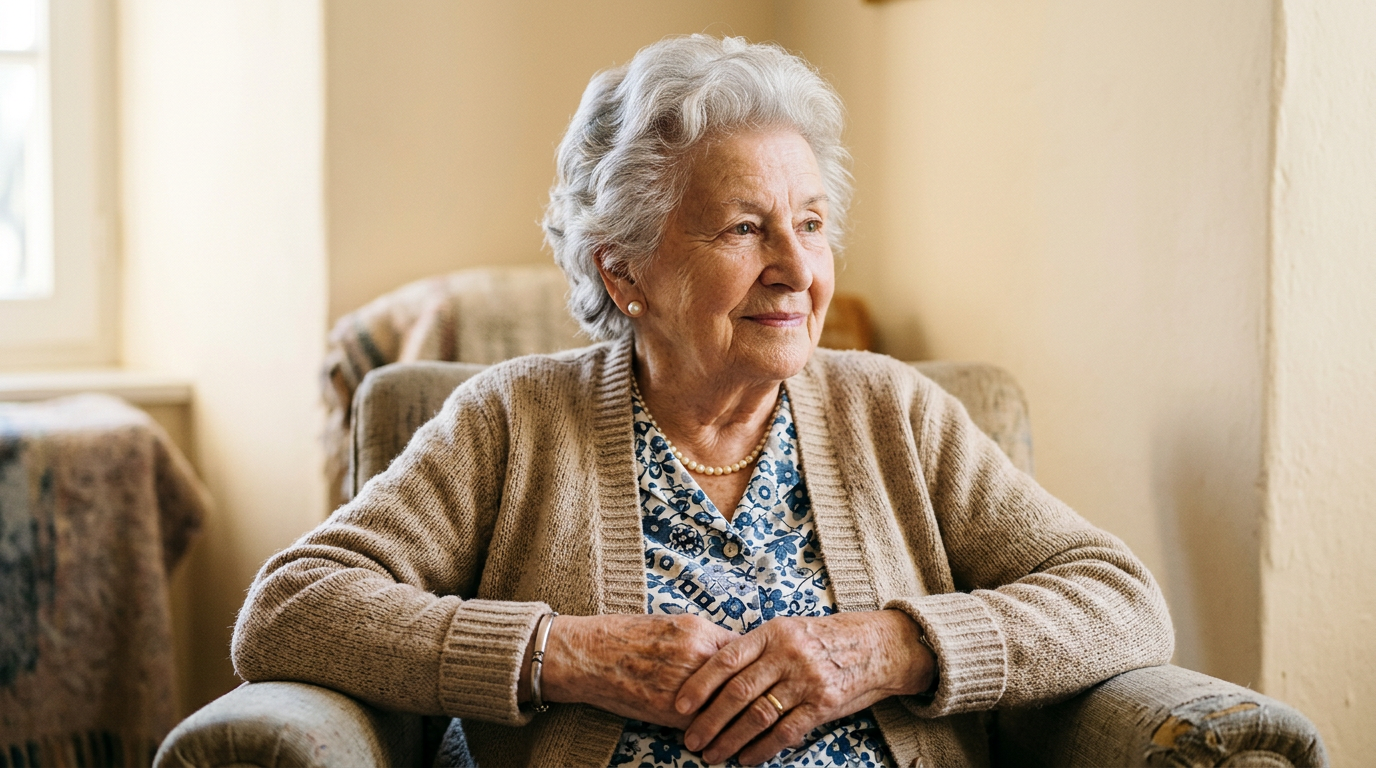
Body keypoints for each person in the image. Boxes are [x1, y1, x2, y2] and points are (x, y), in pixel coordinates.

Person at [232, 35, 1172, 767]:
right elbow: (290, 609)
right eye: (743, 228)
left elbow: (1121, 601)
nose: (800, 272)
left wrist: (895, 646)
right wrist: (567, 653)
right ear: (626, 270)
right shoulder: (510, 424)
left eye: (810, 224)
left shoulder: (896, 412)